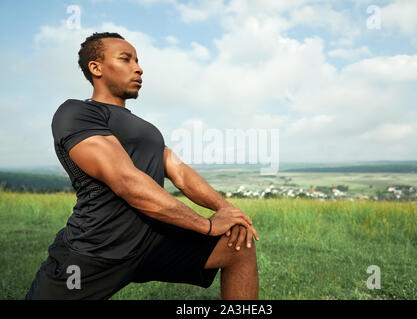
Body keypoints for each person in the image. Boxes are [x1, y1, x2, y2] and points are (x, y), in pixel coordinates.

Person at [25, 32, 259, 300]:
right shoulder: (77, 113)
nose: (138, 68)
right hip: (94, 251)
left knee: (239, 247)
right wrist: (206, 226)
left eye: (137, 60)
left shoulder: (146, 130)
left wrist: (227, 210)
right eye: (126, 59)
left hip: (153, 242)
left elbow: (180, 173)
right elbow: (128, 183)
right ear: (96, 67)